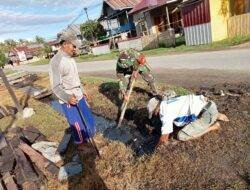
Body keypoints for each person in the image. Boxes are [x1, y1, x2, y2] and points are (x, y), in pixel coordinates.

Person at [49, 31, 96, 151]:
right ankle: (81, 145)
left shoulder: (71, 59)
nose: (75, 48)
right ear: (65, 44)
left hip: (79, 95)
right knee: (77, 124)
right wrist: (67, 97)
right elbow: (55, 86)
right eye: (73, 46)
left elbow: (75, 77)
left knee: (87, 118)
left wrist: (82, 89)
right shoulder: (56, 61)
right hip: (69, 99)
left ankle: (89, 138)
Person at [147, 91, 229, 146]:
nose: (155, 115)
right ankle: (215, 114)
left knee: (181, 136)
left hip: (206, 114)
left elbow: (164, 138)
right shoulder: (167, 100)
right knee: (178, 123)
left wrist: (157, 146)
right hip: (207, 104)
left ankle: (213, 126)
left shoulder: (165, 114)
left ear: (157, 109)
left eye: (154, 113)